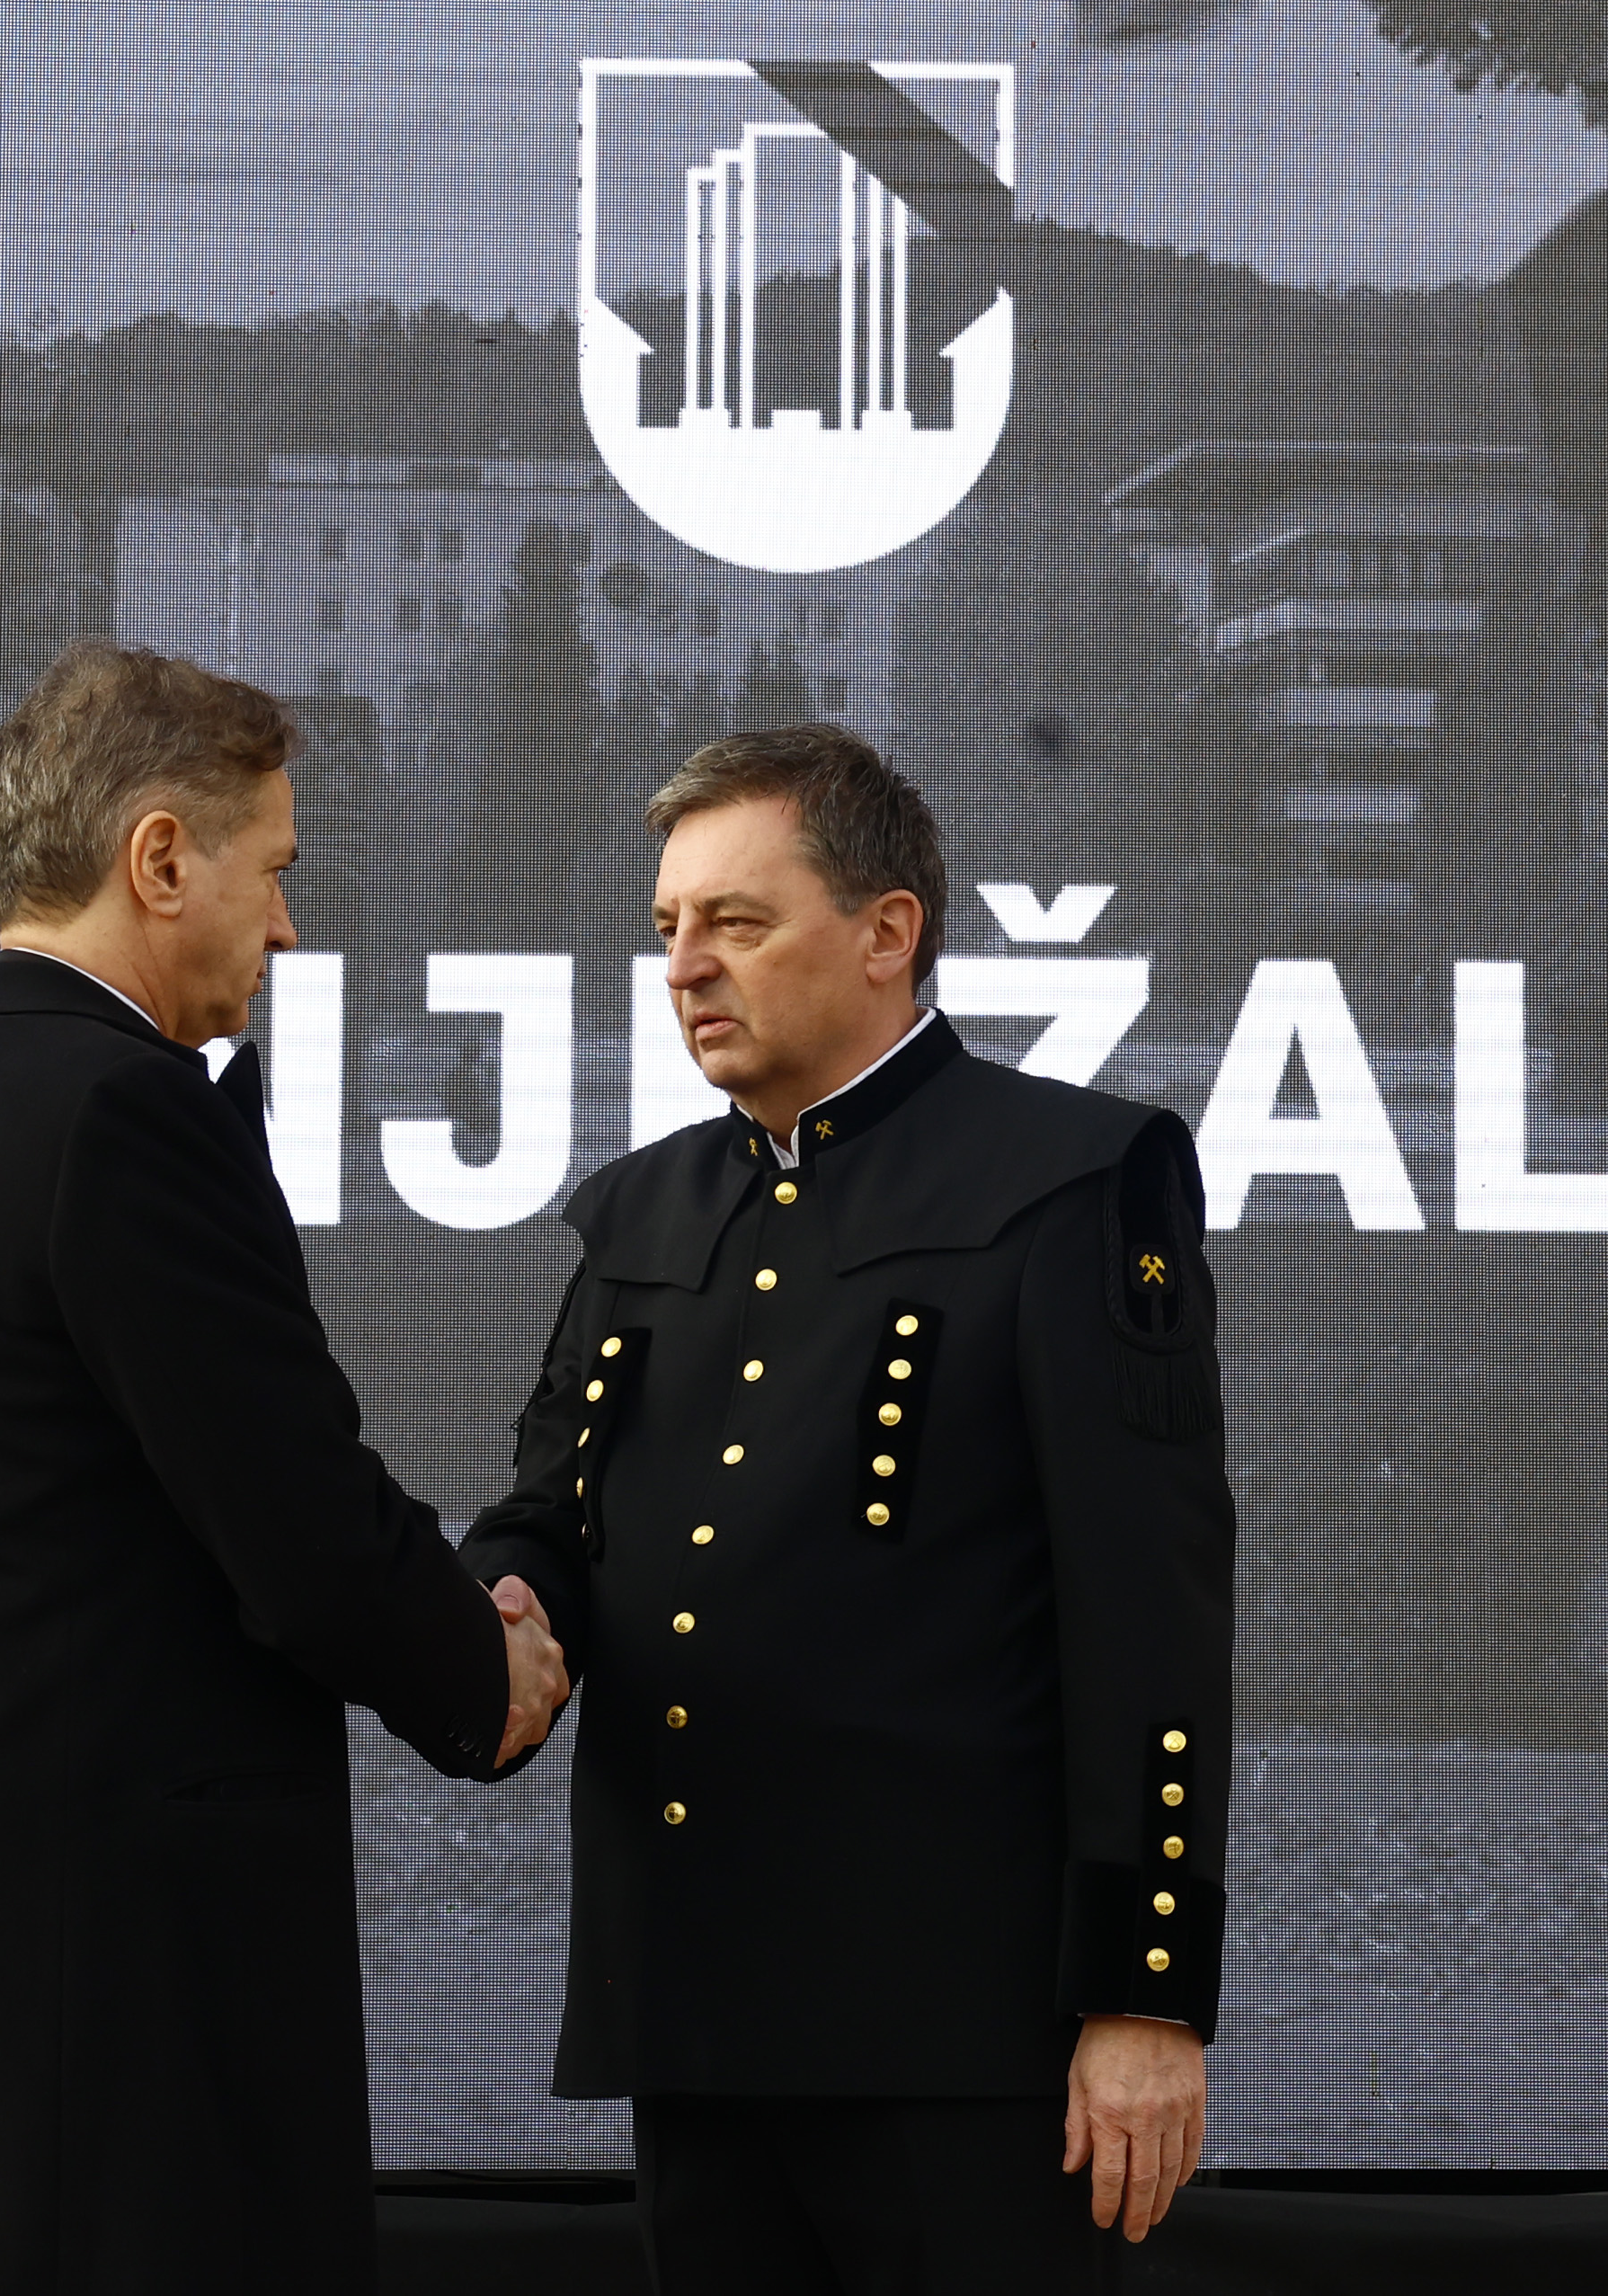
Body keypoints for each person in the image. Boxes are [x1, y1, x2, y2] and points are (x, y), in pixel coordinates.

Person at [0, 641, 570, 2296]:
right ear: (161, 859)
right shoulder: (127, 1124)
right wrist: (484, 1673)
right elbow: (294, 1513)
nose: (289, 928)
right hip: (106, 2021)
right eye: (274, 870)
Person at [462, 723, 1237, 2293]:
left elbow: (1149, 1610)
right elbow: (550, 1512)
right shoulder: (638, 1211)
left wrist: (1144, 1995)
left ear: (889, 933)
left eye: (738, 922)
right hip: (690, 2011)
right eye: (670, 927)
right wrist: (501, 1611)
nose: (687, 965)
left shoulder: (1075, 1179)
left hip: (959, 2034)